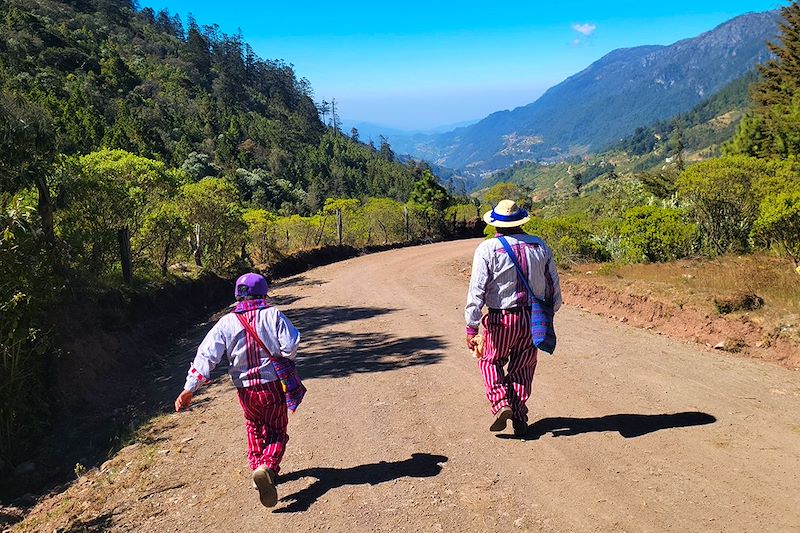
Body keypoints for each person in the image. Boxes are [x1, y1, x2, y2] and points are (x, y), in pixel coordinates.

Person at [174, 273, 301, 507]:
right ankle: (267, 467)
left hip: (244, 390)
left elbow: (207, 354)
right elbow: (290, 345)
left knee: (253, 425)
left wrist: (189, 388)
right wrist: (283, 357)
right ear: (264, 293)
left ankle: (257, 469)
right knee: (276, 430)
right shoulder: (272, 315)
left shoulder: (226, 323)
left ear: (237, 295)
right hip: (271, 385)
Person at [465, 199, 562, 437]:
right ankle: (519, 416)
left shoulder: (487, 249)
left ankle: (502, 403)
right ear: (520, 222)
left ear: (496, 225)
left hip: (501, 319)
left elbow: (477, 289)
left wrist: (471, 326)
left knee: (489, 360)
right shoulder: (540, 246)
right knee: (523, 368)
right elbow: (553, 285)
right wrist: (550, 312)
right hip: (533, 318)